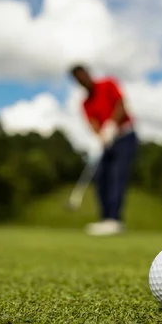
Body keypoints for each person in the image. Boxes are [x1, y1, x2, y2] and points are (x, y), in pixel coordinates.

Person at [69, 64, 138, 236]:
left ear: (87, 74)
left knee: (117, 177)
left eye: (82, 76)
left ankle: (114, 220)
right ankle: (105, 219)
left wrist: (112, 125)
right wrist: (102, 135)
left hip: (125, 137)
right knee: (102, 178)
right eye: (78, 80)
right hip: (108, 143)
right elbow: (93, 124)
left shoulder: (107, 84)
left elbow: (121, 105)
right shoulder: (85, 103)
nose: (82, 80)